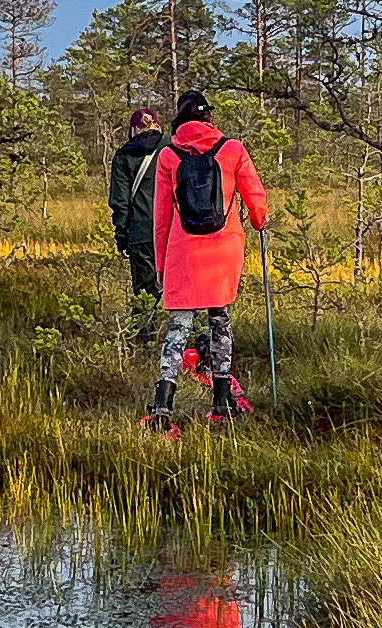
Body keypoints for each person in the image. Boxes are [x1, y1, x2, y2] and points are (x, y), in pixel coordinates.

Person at [145, 89, 271, 423]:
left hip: (182, 253)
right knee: (220, 323)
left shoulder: (169, 156)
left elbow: (161, 220)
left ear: (179, 118)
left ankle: (162, 406)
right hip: (223, 252)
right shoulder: (232, 150)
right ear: (208, 117)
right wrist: (260, 221)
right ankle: (220, 402)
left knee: (178, 329)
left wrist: (161, 266)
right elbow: (256, 199)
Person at [106, 103, 168, 310]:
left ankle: (145, 340)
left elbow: (120, 202)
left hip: (141, 233)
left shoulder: (124, 155)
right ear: (157, 126)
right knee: (183, 294)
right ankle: (190, 340)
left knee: (144, 296)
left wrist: (122, 236)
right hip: (173, 231)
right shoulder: (173, 147)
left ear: (133, 130)